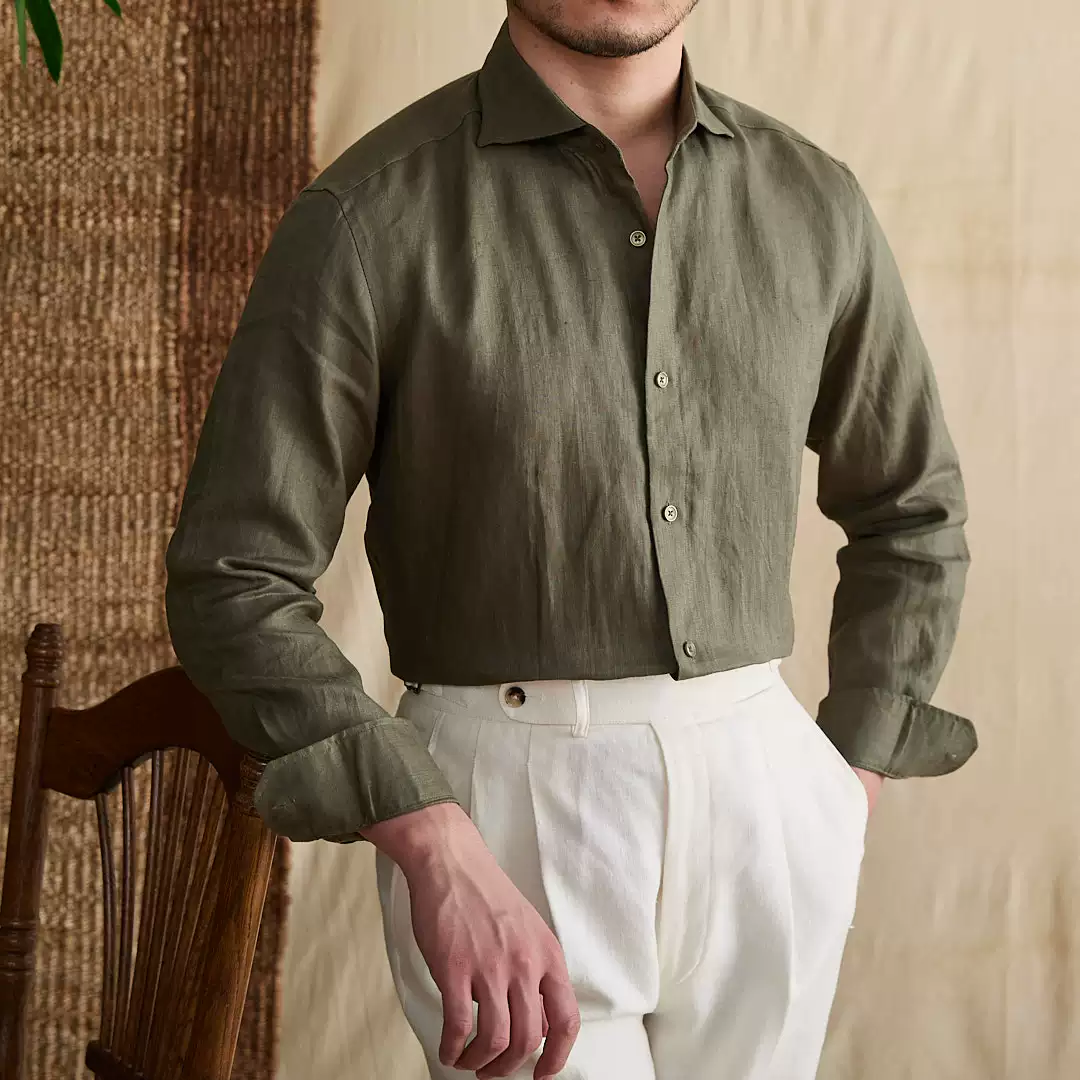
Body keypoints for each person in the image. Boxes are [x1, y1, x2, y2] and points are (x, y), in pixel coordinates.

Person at [164, 2, 978, 1078]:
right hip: (501, 811)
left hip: (768, 795)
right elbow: (234, 576)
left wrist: (843, 788)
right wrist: (428, 833)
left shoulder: (813, 200)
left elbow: (913, 509)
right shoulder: (370, 212)